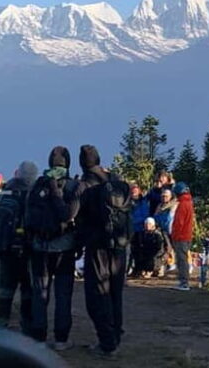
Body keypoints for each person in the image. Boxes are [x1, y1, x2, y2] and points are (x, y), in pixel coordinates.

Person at [76, 145, 132, 360]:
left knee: (98, 293)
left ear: (82, 163)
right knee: (115, 292)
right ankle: (116, 334)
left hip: (97, 245)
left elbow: (80, 218)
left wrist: (78, 244)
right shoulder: (115, 179)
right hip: (119, 244)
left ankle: (106, 343)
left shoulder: (86, 185)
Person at [28, 146, 80, 350]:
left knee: (40, 293)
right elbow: (71, 216)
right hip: (64, 247)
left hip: (40, 247)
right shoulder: (71, 186)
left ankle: (38, 337)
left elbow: (28, 213)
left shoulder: (38, 184)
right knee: (63, 294)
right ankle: (61, 339)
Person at [0, 161, 38, 333]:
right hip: (25, 247)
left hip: (4, 247)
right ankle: (26, 325)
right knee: (27, 288)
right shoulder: (31, 194)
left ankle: (0, 324)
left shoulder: (5, 191)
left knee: (5, 289)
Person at [170, 182, 194, 291]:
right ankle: (183, 281)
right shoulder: (189, 202)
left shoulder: (183, 204)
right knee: (183, 259)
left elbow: (179, 223)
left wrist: (174, 235)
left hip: (181, 237)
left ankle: (184, 283)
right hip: (186, 235)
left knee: (182, 260)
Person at [128, 184, 151, 278]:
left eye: (136, 190)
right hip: (129, 230)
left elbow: (145, 214)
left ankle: (139, 269)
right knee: (130, 251)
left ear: (139, 191)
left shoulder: (143, 202)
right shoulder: (127, 202)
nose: (134, 192)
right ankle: (130, 269)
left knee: (139, 251)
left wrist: (134, 221)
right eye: (132, 191)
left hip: (139, 229)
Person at [153, 187, 177, 273]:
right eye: (163, 196)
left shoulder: (174, 205)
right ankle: (164, 265)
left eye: (166, 196)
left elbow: (170, 219)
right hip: (161, 229)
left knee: (169, 247)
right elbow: (155, 217)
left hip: (170, 230)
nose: (164, 198)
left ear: (170, 196)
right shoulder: (159, 206)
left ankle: (172, 263)